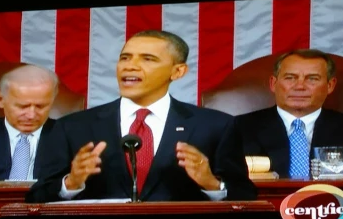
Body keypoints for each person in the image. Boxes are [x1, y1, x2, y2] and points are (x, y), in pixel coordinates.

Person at [28, 30, 257, 203]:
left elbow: (246, 196)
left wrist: (212, 184)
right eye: (125, 58)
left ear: (178, 72)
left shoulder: (216, 126)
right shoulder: (72, 127)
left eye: (147, 59)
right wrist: (71, 183)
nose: (131, 66)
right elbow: (36, 198)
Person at [235, 49, 343, 179]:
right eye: (290, 78)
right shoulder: (238, 129)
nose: (299, 86)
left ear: (330, 85)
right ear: (273, 83)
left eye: (312, 79)